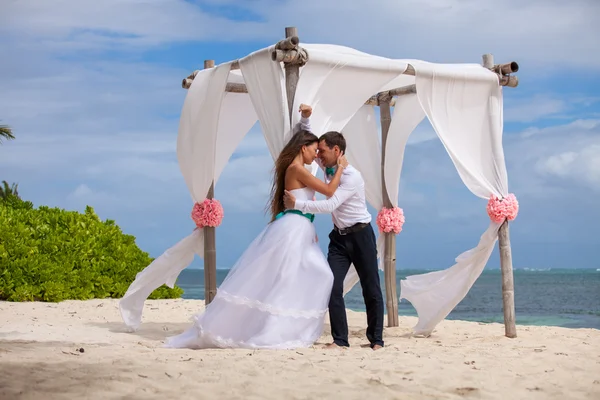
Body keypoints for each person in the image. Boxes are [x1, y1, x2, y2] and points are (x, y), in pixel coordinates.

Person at [164, 107, 349, 350]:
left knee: (308, 276)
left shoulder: (299, 167)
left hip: (300, 227)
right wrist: (342, 168)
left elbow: (305, 138)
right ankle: (272, 329)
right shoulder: (296, 169)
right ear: (303, 148)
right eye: (314, 151)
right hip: (292, 229)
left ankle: (283, 326)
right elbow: (328, 191)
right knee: (288, 278)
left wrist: (306, 120)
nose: (316, 156)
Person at [283, 117, 385, 350]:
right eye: (317, 151)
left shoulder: (352, 177)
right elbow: (307, 143)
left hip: (361, 236)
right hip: (338, 239)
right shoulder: (329, 165)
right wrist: (307, 119)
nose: (318, 155)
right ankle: (340, 339)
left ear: (336, 151)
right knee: (331, 284)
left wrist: (297, 205)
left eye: (322, 151)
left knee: (371, 287)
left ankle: (376, 339)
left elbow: (330, 204)